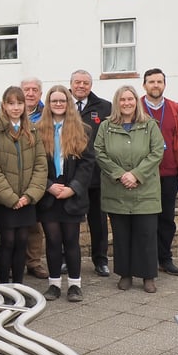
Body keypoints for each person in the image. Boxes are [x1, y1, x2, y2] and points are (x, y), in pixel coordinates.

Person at [95, 86, 163, 293]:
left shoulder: (150, 125)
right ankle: (125, 274)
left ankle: (148, 276)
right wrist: (120, 174)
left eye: (130, 99)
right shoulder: (106, 126)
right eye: (122, 99)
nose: (126, 103)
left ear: (136, 101)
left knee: (146, 235)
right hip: (117, 190)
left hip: (145, 190)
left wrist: (136, 175)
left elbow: (157, 152)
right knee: (121, 235)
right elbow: (99, 152)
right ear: (117, 102)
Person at [0, 86, 47, 284]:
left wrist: (29, 195)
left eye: (19, 103)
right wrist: (11, 198)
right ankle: (4, 285)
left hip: (27, 199)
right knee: (7, 242)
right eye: (11, 103)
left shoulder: (32, 130)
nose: (16, 107)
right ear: (4, 105)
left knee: (22, 242)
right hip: (5, 199)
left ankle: (18, 286)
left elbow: (40, 165)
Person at [36, 86, 94, 302]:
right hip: (49, 193)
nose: (58, 104)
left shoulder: (83, 130)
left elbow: (88, 163)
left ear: (68, 103)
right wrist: (48, 185)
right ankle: (53, 285)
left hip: (72, 192)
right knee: (52, 241)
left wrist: (74, 187)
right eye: (54, 101)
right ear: (48, 104)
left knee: (71, 241)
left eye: (62, 100)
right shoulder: (37, 130)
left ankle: (75, 285)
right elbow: (35, 165)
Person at [140, 68, 178, 276]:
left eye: (159, 82)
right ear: (144, 85)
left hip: (169, 172)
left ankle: (165, 258)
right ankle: (146, 259)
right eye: (151, 82)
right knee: (146, 218)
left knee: (167, 219)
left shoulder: (175, 108)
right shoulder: (135, 106)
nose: (155, 85)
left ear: (164, 84)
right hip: (143, 173)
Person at [71, 69, 112, 277]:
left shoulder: (105, 107)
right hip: (70, 175)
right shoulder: (61, 105)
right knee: (69, 221)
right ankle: (66, 259)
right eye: (77, 82)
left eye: (85, 83)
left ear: (91, 85)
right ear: (71, 84)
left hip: (96, 175)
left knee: (98, 221)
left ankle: (100, 260)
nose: (81, 86)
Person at [21, 77, 50, 280]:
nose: (30, 93)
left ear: (41, 93)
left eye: (35, 90)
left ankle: (34, 262)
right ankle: (14, 261)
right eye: (26, 89)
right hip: (15, 173)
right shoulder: (11, 112)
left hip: (39, 173)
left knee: (35, 223)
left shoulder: (47, 115)